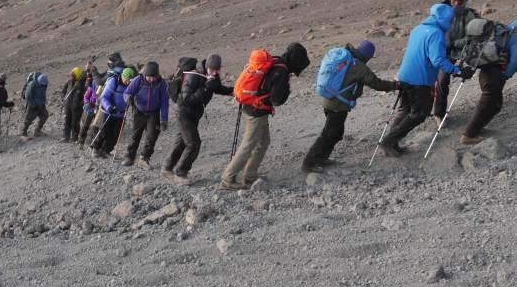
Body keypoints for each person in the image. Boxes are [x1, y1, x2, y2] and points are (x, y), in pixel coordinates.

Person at [380, 4, 472, 156]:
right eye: (450, 21)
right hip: (419, 79)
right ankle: (389, 142)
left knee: (406, 110)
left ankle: (391, 143)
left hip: (404, 75)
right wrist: (456, 70)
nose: (450, 24)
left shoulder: (418, 29)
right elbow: (437, 60)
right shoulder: (436, 33)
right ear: (443, 19)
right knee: (420, 113)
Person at [220, 43, 310, 190]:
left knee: (263, 142)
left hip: (253, 107)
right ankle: (228, 178)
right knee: (249, 144)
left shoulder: (276, 62)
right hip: (257, 111)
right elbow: (277, 100)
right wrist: (286, 91)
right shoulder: (281, 72)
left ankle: (250, 175)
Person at [301, 41, 399, 173]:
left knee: (336, 133)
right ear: (368, 56)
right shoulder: (358, 66)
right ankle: (309, 163)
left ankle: (321, 158)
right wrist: (395, 86)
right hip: (338, 104)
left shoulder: (346, 58)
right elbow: (377, 84)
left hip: (329, 100)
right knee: (329, 133)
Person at [164, 54, 233, 185]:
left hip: (194, 114)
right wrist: (206, 87)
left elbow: (216, 88)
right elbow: (186, 100)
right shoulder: (193, 76)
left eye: (217, 69)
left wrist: (232, 91)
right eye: (213, 69)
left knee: (182, 142)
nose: (215, 72)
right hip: (184, 112)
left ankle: (167, 169)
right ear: (207, 66)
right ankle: (180, 173)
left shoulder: (211, 76)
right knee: (194, 143)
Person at [460, 19, 517, 144]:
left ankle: (476, 128)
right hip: (493, 75)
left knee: (495, 104)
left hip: (488, 70)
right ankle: (468, 135)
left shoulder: (513, 26)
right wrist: (505, 75)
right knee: (489, 103)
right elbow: (514, 62)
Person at [433, 0, 477, 125]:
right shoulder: (440, 13)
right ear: (449, 0)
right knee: (442, 81)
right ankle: (438, 113)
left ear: (465, 2)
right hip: (443, 54)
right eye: (454, 0)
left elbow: (471, 38)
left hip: (461, 53)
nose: (456, 4)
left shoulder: (469, 15)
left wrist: (453, 43)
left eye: (460, 1)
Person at [122, 61, 169, 169]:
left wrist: (164, 120)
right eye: (149, 77)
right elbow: (127, 92)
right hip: (139, 112)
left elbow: (164, 103)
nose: (151, 79)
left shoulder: (162, 84)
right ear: (145, 74)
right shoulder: (138, 80)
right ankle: (129, 157)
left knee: (152, 137)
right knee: (135, 136)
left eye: (154, 77)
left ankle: (144, 159)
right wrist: (128, 98)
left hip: (154, 114)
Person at [91, 67, 135, 157]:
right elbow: (104, 97)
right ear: (123, 76)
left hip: (121, 114)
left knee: (115, 134)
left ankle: (106, 150)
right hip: (109, 112)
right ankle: (96, 149)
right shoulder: (113, 82)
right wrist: (109, 107)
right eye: (127, 79)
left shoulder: (131, 86)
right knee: (103, 131)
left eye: (130, 80)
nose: (128, 82)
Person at [61, 67, 86, 143]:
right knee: (66, 121)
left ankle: (74, 138)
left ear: (77, 76)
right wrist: (63, 99)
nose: (71, 77)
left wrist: (80, 104)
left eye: (73, 75)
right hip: (67, 106)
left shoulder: (83, 84)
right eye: (71, 75)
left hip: (77, 108)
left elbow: (86, 97)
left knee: (75, 123)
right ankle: (66, 137)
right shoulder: (69, 82)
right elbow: (63, 91)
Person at [22, 74, 49, 138]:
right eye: (42, 84)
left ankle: (37, 131)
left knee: (45, 115)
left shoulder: (44, 83)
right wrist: (33, 104)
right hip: (33, 105)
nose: (43, 85)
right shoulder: (32, 84)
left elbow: (43, 92)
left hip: (41, 104)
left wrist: (43, 101)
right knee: (28, 119)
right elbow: (27, 96)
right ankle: (23, 132)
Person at [78, 74, 98, 147]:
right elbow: (86, 96)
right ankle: (81, 141)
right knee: (85, 125)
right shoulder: (92, 86)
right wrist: (87, 103)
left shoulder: (102, 86)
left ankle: (93, 143)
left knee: (96, 127)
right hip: (91, 108)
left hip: (99, 109)